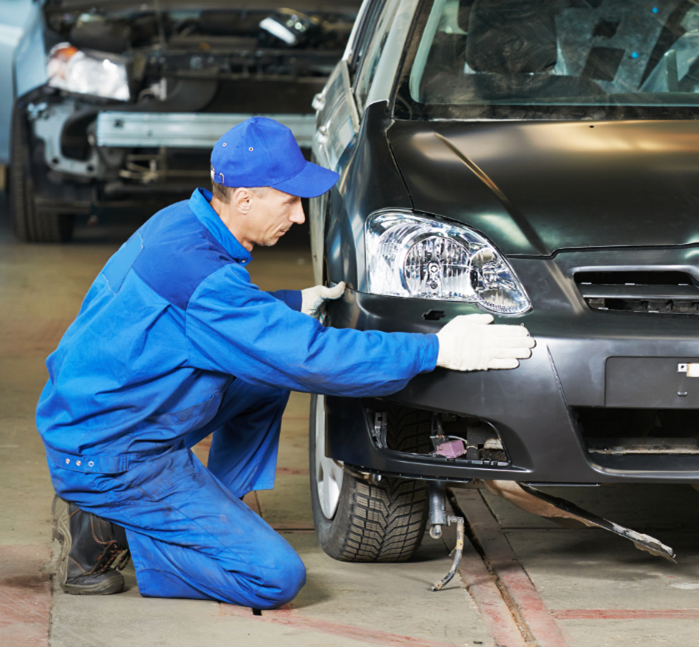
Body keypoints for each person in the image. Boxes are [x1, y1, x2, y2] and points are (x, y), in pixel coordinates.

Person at [37, 117, 536, 609]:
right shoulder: (205, 282)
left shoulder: (180, 223)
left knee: (263, 379)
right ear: (247, 198)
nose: (299, 217)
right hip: (114, 456)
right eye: (290, 200)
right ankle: (129, 531)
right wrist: (436, 351)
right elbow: (312, 357)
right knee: (273, 578)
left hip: (99, 418)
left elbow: (195, 318)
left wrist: (290, 303)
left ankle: (208, 510)